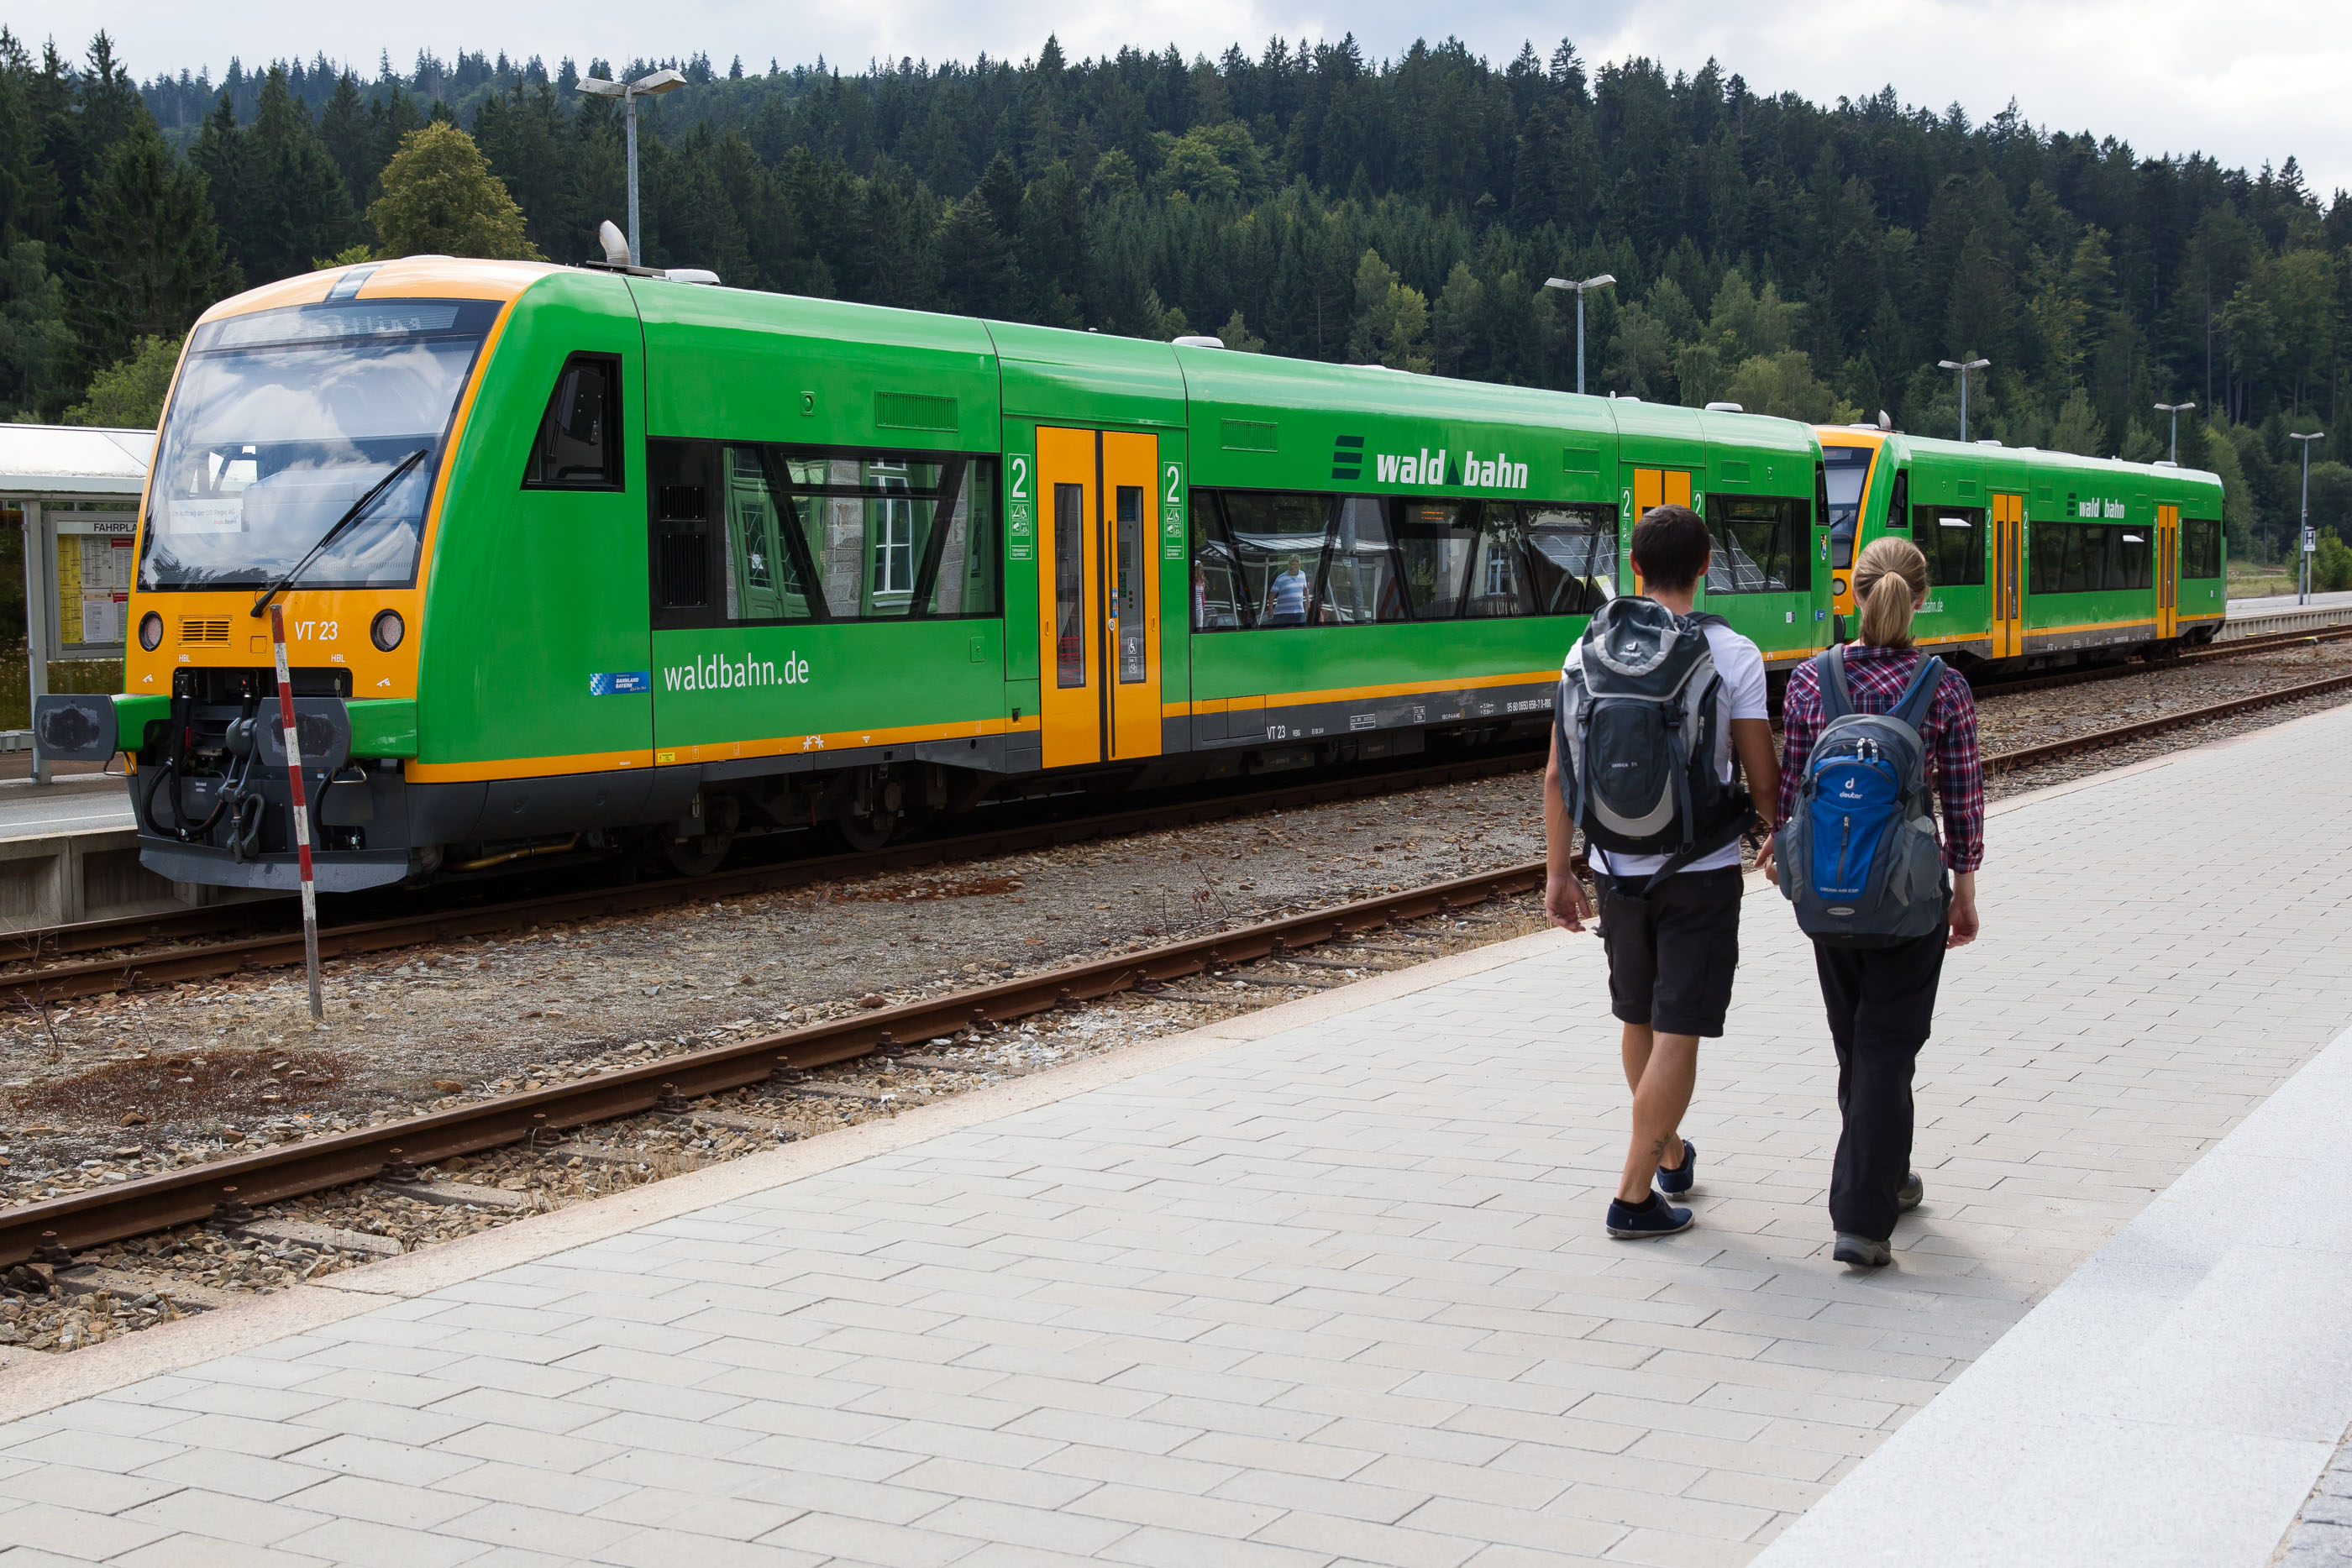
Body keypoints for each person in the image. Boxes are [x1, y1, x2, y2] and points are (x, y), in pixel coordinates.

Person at [1544, 505, 1779, 1240]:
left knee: (1637, 1016)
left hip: (1615, 867)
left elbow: (1558, 773)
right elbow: (1761, 773)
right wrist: (1778, 828)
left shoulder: (1584, 652)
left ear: (1634, 568)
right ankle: (1634, 1195)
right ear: (1708, 567)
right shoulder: (1733, 653)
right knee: (1679, 1029)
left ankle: (1669, 1148)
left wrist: (1558, 871)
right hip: (1700, 869)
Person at [1761, 535, 1983, 1269]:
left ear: (1853, 594)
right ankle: (1862, 1214)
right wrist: (1965, 890)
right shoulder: (1943, 686)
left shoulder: (1807, 681)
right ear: (1921, 600)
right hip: (1911, 899)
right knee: (1889, 1045)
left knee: (1859, 1043)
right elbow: (1963, 800)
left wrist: (1786, 863)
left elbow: (1794, 794)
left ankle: (1888, 1171)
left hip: (1830, 896)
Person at [1265, 554, 1310, 625]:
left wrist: (1308, 604)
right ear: (1288, 564)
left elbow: (1305, 589)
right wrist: (1270, 608)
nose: (1292, 567)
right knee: (1279, 634)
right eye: (1290, 564)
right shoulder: (1281, 578)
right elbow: (1272, 593)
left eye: (1294, 565)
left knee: (1300, 634)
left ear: (1299, 565)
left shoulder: (1303, 575)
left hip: (1299, 612)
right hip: (1282, 613)